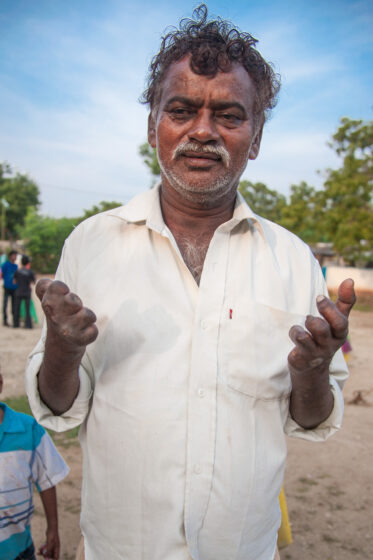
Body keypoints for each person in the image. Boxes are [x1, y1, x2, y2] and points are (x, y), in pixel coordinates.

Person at [26, 6, 356, 560]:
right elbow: (60, 407)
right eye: (181, 109)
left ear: (255, 137)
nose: (203, 131)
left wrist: (314, 370)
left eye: (229, 115)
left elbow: (311, 417)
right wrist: (61, 349)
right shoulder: (91, 242)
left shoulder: (293, 259)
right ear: (152, 124)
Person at [0, 368, 69, 560]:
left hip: (18, 550)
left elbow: (46, 479)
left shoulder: (28, 429)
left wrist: (52, 529)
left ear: (0, 383)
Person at [13, 256, 36, 329]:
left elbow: (14, 281)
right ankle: (28, 324)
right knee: (27, 309)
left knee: (17, 308)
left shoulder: (18, 271)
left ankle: (16, 324)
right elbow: (34, 282)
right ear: (28, 263)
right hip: (27, 292)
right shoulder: (30, 272)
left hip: (19, 291)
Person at [1, 250, 18, 327]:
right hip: (7, 287)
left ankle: (14, 320)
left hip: (14, 288)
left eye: (15, 256)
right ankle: (5, 320)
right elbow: (1, 274)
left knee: (14, 305)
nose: (15, 257)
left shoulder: (16, 266)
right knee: (5, 304)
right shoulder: (5, 265)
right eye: (13, 255)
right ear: (10, 256)